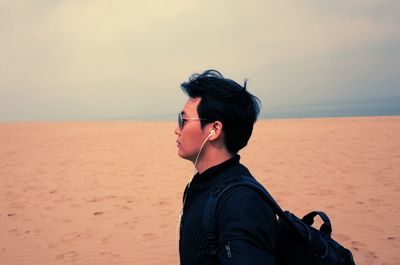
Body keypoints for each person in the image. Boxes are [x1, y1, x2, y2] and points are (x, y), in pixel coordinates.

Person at [175, 69, 278, 265]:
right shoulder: (201, 185)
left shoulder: (241, 202)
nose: (176, 129)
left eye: (184, 120)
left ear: (214, 130)